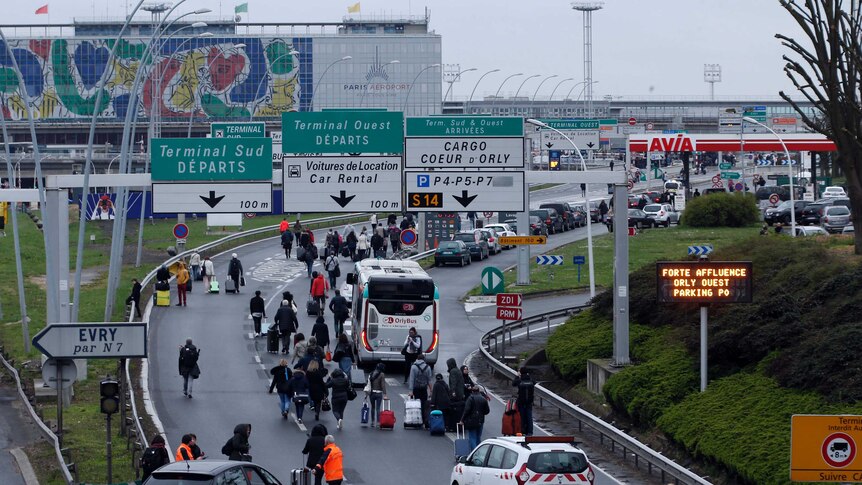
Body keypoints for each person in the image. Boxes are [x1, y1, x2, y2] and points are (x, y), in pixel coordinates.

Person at [461, 385, 490, 450]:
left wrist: (462, 419)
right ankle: (478, 451)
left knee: (472, 437)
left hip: (471, 421)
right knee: (478, 437)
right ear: (479, 391)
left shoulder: (470, 398)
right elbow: (487, 411)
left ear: (472, 391)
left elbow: (466, 410)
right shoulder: (483, 399)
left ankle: (473, 453)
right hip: (481, 421)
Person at [408, 353, 433, 429]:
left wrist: (410, 391)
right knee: (424, 405)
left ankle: (417, 421)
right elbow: (429, 380)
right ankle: (425, 421)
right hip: (424, 389)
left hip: (416, 389)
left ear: (417, 359)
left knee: (417, 406)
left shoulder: (414, 367)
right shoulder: (428, 367)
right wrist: (431, 391)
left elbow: (411, 379)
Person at [512, 367, 536, 436]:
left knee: (521, 416)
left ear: (521, 372)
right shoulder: (531, 380)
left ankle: (522, 431)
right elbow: (535, 382)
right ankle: (530, 432)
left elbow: (513, 383)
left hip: (521, 401)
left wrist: (517, 375)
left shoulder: (520, 380)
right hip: (529, 401)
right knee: (529, 417)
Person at [447, 358, 466, 432]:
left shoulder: (453, 371)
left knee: (453, 411)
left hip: (456, 395)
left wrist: (452, 392)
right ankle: (459, 426)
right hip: (460, 394)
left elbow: (453, 383)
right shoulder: (458, 370)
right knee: (459, 411)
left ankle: (453, 426)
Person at [366, 363, 387, 427]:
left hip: (371, 393)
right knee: (378, 408)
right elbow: (383, 385)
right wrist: (385, 394)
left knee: (373, 407)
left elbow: (368, 384)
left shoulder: (371, 373)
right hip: (378, 393)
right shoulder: (382, 374)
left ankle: (372, 422)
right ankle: (378, 422)